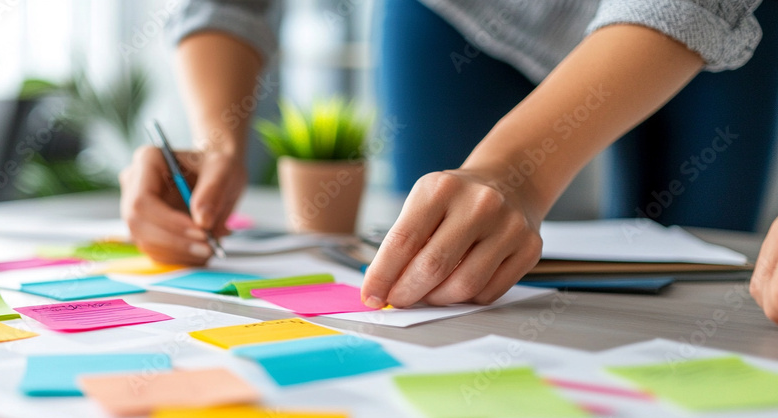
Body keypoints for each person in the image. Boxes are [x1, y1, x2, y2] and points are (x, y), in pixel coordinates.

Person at [119, 0, 778, 319]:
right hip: (455, 15)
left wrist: (516, 168)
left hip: (706, 22)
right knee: (444, 280)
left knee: (715, 292)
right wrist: (217, 140)